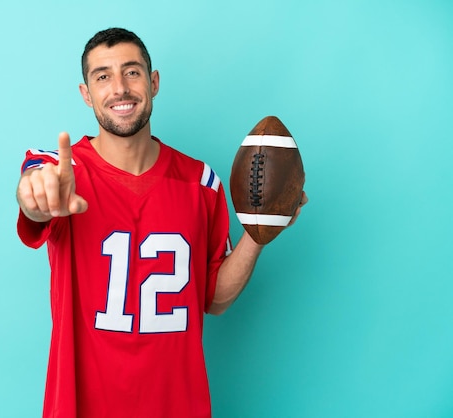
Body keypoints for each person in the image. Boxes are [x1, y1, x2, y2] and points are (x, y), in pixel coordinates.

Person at [16, 27, 306, 418]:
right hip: (81, 407)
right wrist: (37, 197)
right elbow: (34, 194)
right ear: (86, 94)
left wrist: (257, 236)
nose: (119, 88)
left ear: (153, 82)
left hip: (176, 406)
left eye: (131, 72)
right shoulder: (60, 169)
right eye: (103, 76)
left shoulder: (201, 182)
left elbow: (214, 299)